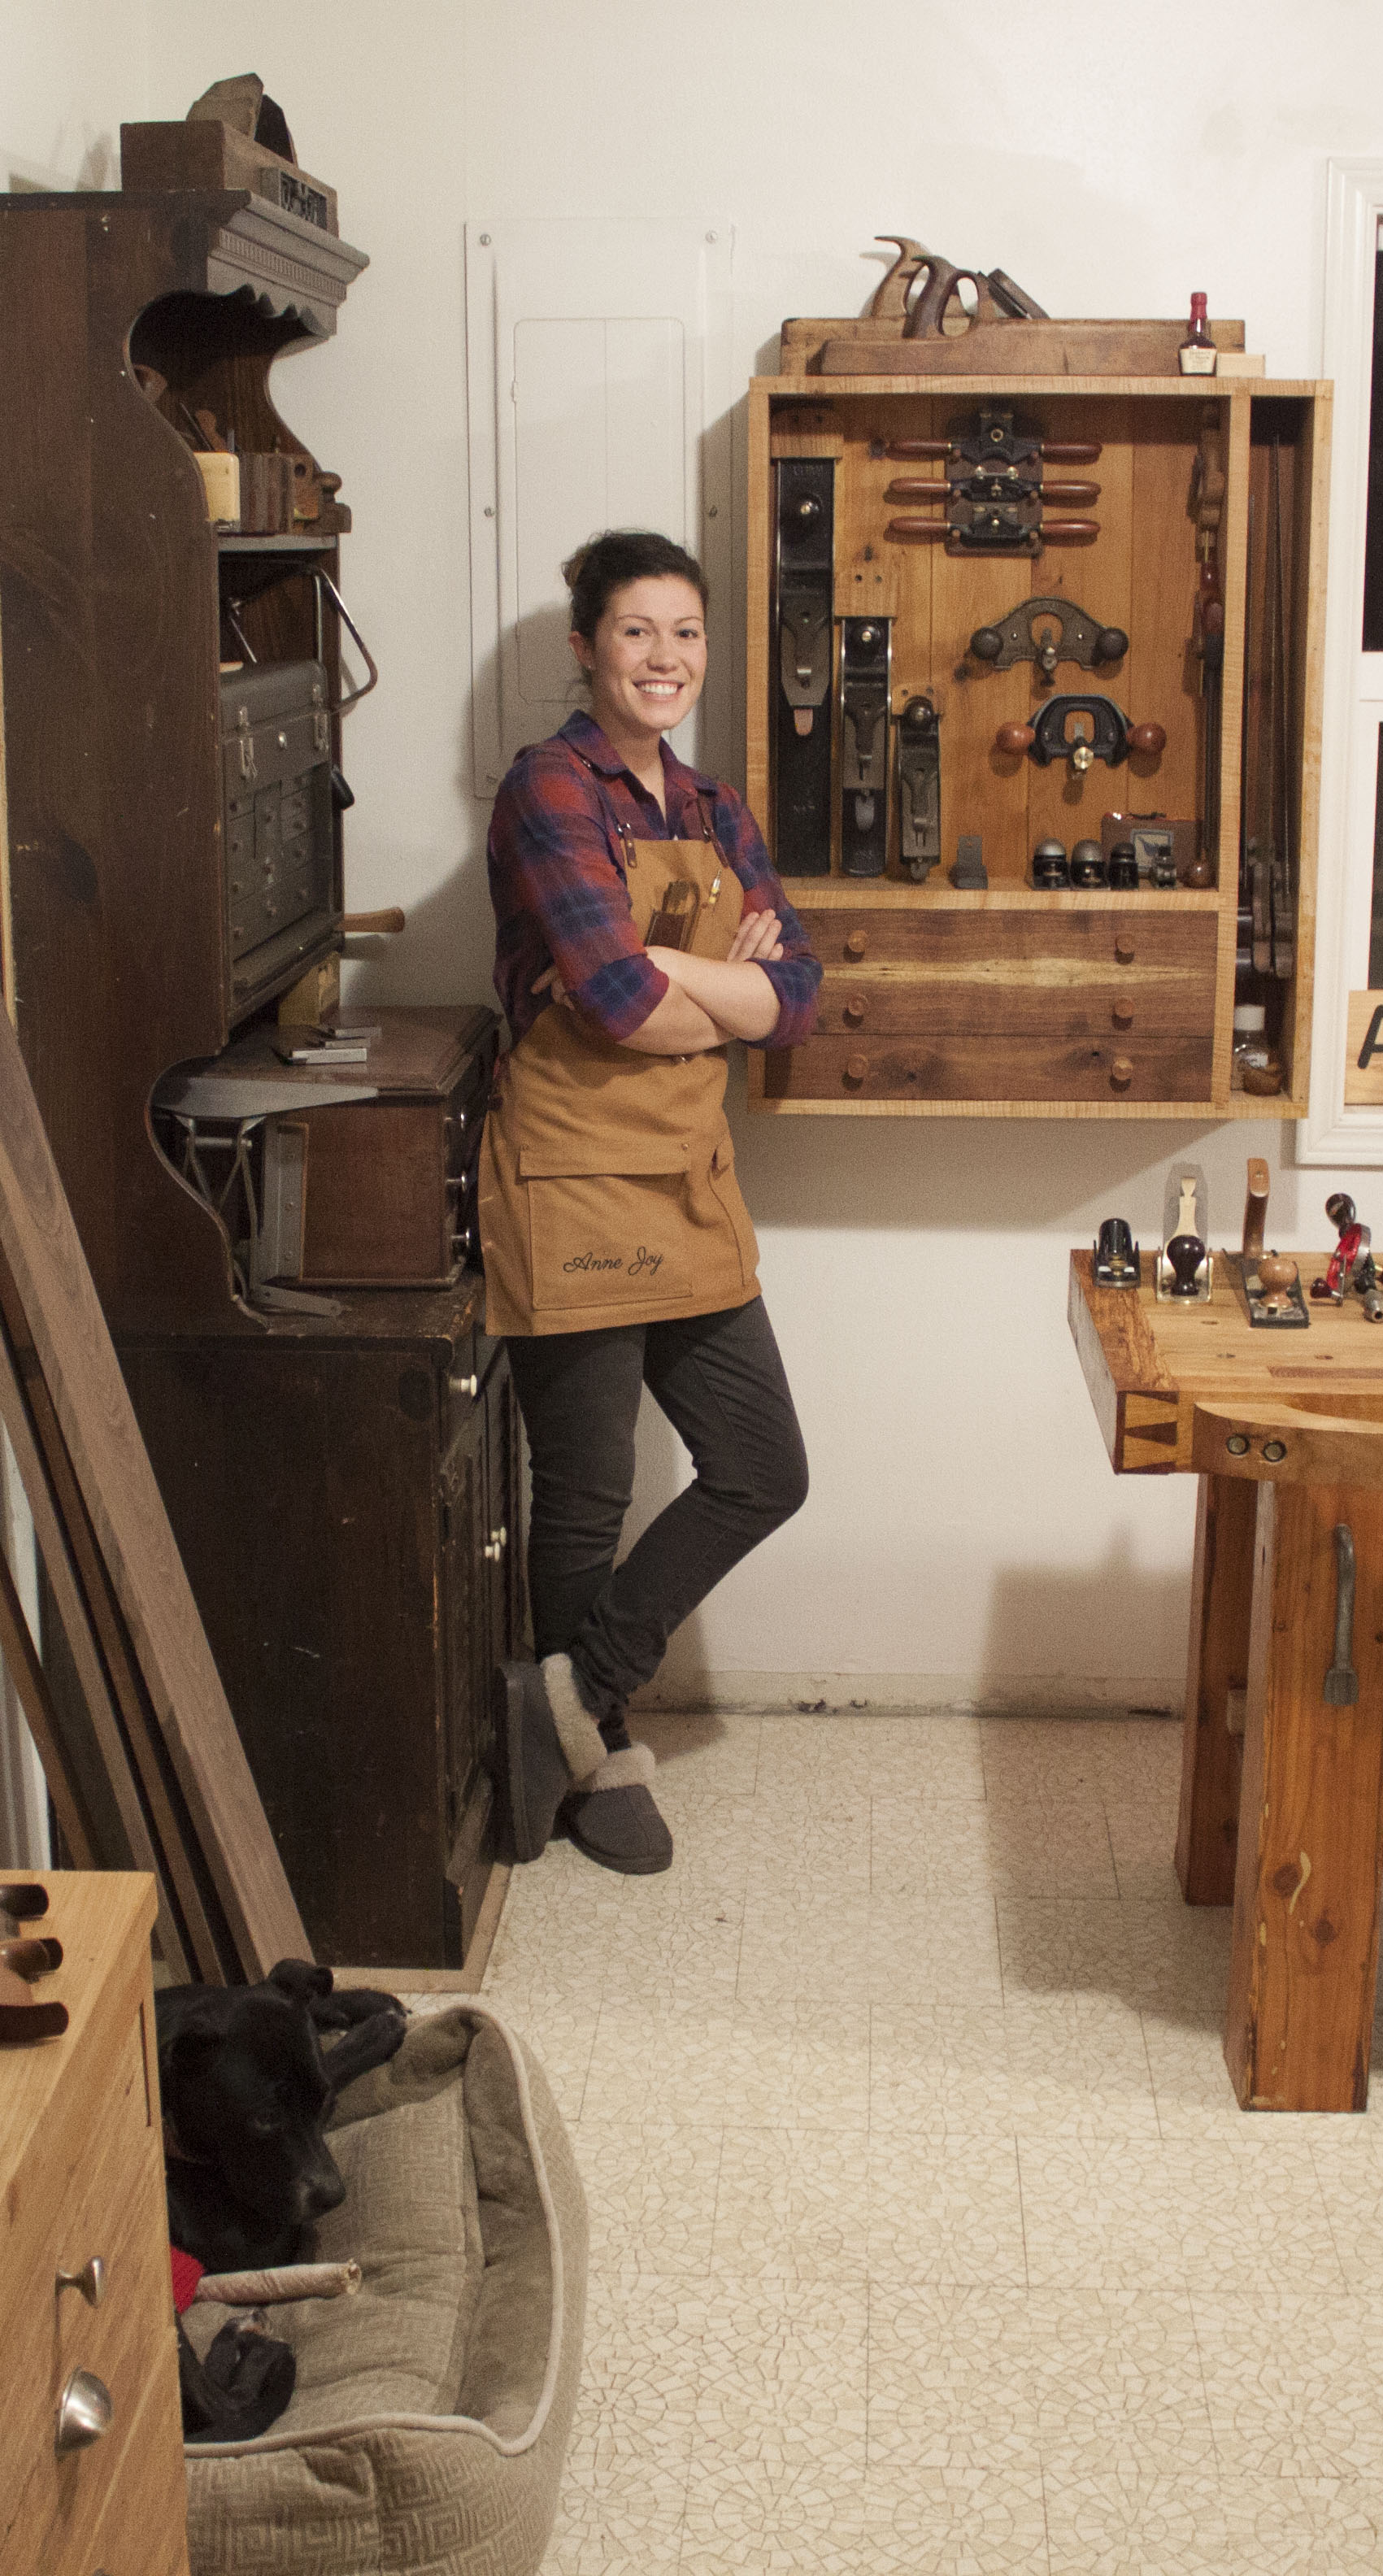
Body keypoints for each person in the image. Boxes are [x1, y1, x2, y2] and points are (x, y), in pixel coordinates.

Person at [476, 529, 819, 1874]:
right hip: (567, 1168)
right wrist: (708, 992)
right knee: (587, 1490)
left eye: (685, 633)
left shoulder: (717, 807)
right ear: (587, 647)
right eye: (636, 633)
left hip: (684, 1172)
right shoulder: (544, 792)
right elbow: (618, 1004)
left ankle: (560, 1696)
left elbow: (793, 1005)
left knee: (763, 1468)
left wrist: (697, 998)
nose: (665, 658)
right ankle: (601, 1756)